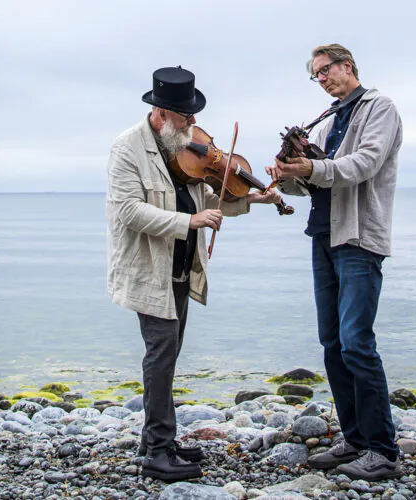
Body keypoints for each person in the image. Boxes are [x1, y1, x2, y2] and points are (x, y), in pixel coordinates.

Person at [106, 66, 281, 482]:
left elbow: (208, 194)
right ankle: (158, 452)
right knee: (160, 357)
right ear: (162, 113)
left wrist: (252, 198)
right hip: (150, 270)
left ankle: (155, 442)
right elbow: (129, 211)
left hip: (183, 267)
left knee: (168, 355)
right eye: (186, 117)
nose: (194, 124)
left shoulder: (182, 146)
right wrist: (191, 222)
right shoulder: (127, 148)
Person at [265, 44, 404, 481]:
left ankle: (383, 449)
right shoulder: (328, 119)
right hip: (322, 235)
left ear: (349, 66)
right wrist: (289, 173)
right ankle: (356, 439)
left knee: (357, 342)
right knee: (332, 344)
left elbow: (363, 164)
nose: (322, 79)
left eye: (326, 70)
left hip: (359, 237)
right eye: (316, 75)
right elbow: (313, 185)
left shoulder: (379, 107)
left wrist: (311, 167)